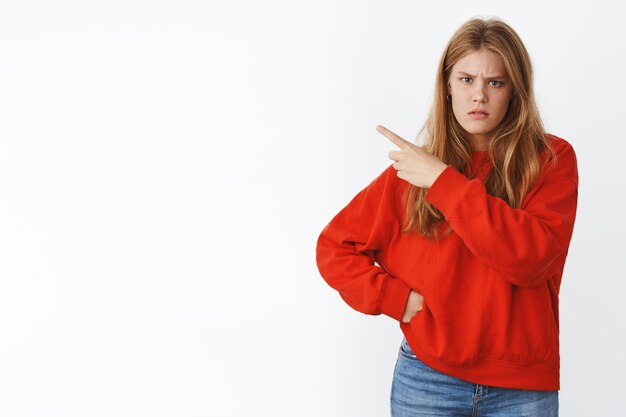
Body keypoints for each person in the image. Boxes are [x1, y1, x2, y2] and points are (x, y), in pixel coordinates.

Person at [315, 16, 578, 417]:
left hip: (521, 388)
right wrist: (395, 299)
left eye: (495, 82)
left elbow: (531, 261)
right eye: (466, 79)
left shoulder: (551, 161)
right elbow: (335, 247)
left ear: (515, 91)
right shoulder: (410, 173)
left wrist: (443, 181)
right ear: (447, 87)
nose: (479, 96)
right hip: (426, 379)